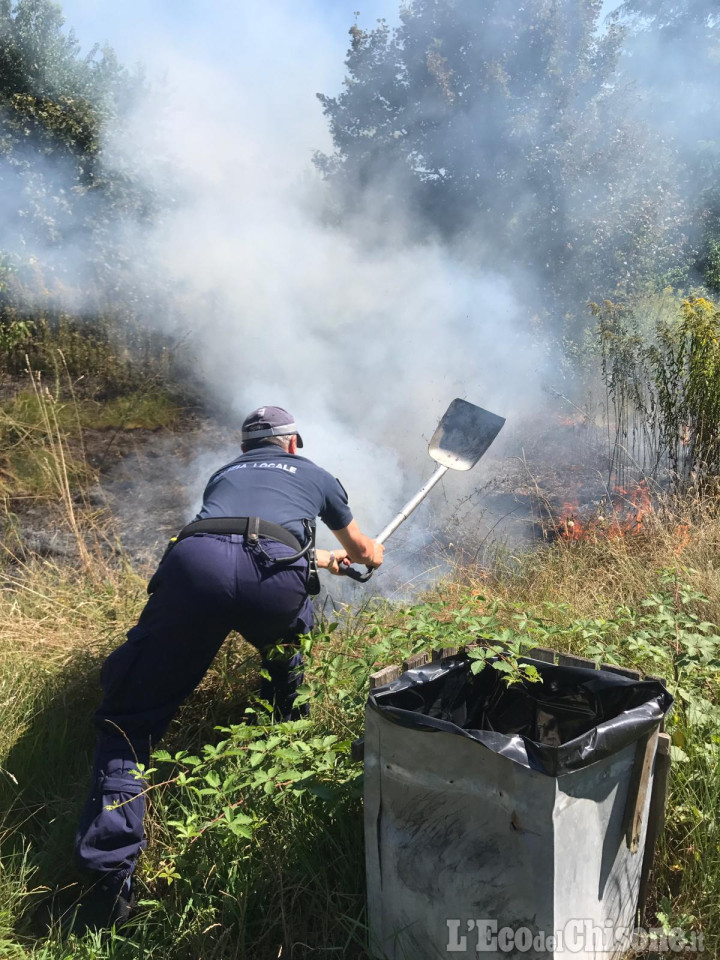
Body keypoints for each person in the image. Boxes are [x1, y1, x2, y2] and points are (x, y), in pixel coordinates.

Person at [67, 405, 384, 931]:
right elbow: (353, 546)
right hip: (273, 576)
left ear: (246, 448)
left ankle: (108, 881)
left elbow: (237, 536)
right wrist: (368, 554)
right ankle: (288, 736)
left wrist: (325, 559)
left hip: (197, 563)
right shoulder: (316, 475)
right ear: (292, 444)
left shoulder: (225, 474)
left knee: (131, 719)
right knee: (286, 658)